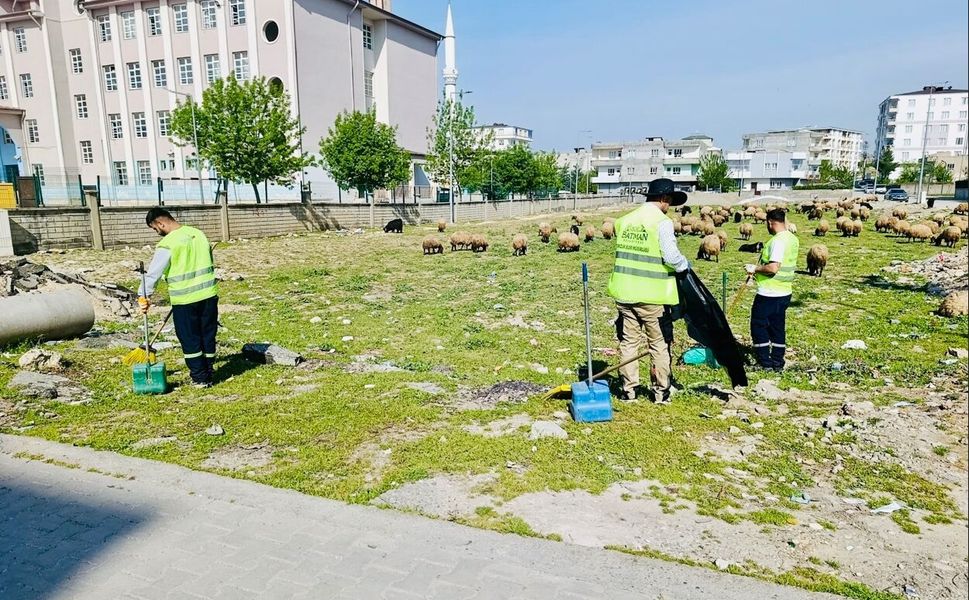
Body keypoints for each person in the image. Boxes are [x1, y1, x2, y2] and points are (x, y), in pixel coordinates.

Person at [606, 178, 690, 404]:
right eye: (670, 201)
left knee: (628, 342)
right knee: (659, 345)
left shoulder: (624, 221)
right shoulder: (661, 222)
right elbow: (671, 257)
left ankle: (628, 390)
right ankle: (661, 391)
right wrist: (685, 266)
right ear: (664, 199)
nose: (669, 206)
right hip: (653, 297)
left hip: (624, 293)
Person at [138, 208, 219, 387]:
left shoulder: (168, 243)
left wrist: (143, 295)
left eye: (154, 228)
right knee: (207, 334)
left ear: (160, 223)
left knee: (190, 338)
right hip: (209, 295)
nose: (156, 232)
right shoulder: (198, 234)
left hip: (184, 299)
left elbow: (153, 274)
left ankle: (200, 378)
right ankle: (208, 370)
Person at [745, 207, 799, 371]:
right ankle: (777, 362)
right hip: (785, 291)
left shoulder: (777, 241)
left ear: (770, 222)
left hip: (770, 292)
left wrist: (754, 268)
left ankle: (765, 362)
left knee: (758, 325)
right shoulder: (792, 238)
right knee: (777, 327)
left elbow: (773, 268)